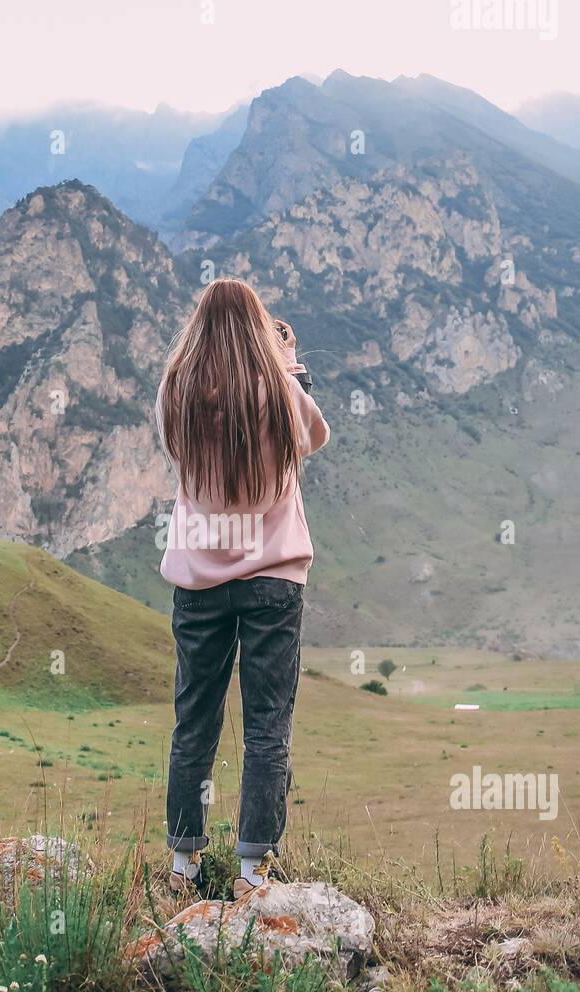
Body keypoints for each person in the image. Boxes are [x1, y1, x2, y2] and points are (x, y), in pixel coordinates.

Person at [155, 278, 330, 899]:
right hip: (273, 576)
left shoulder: (177, 389)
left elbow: (170, 445)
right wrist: (289, 369)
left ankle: (183, 864)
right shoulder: (278, 387)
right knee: (267, 723)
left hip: (199, 580)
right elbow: (313, 439)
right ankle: (255, 868)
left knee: (193, 720)